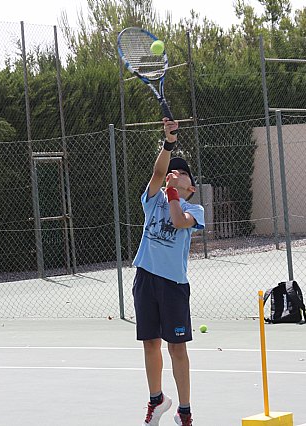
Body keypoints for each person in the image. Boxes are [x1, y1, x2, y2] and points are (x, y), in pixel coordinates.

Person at [133, 117, 205, 426]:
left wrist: (174, 192)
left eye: (183, 174)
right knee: (150, 342)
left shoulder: (195, 210)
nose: (175, 175)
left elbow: (178, 222)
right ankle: (156, 400)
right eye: (173, 173)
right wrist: (169, 142)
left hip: (174, 285)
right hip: (146, 278)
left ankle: (185, 411)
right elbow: (158, 172)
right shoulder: (152, 200)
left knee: (177, 347)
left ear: (192, 186)